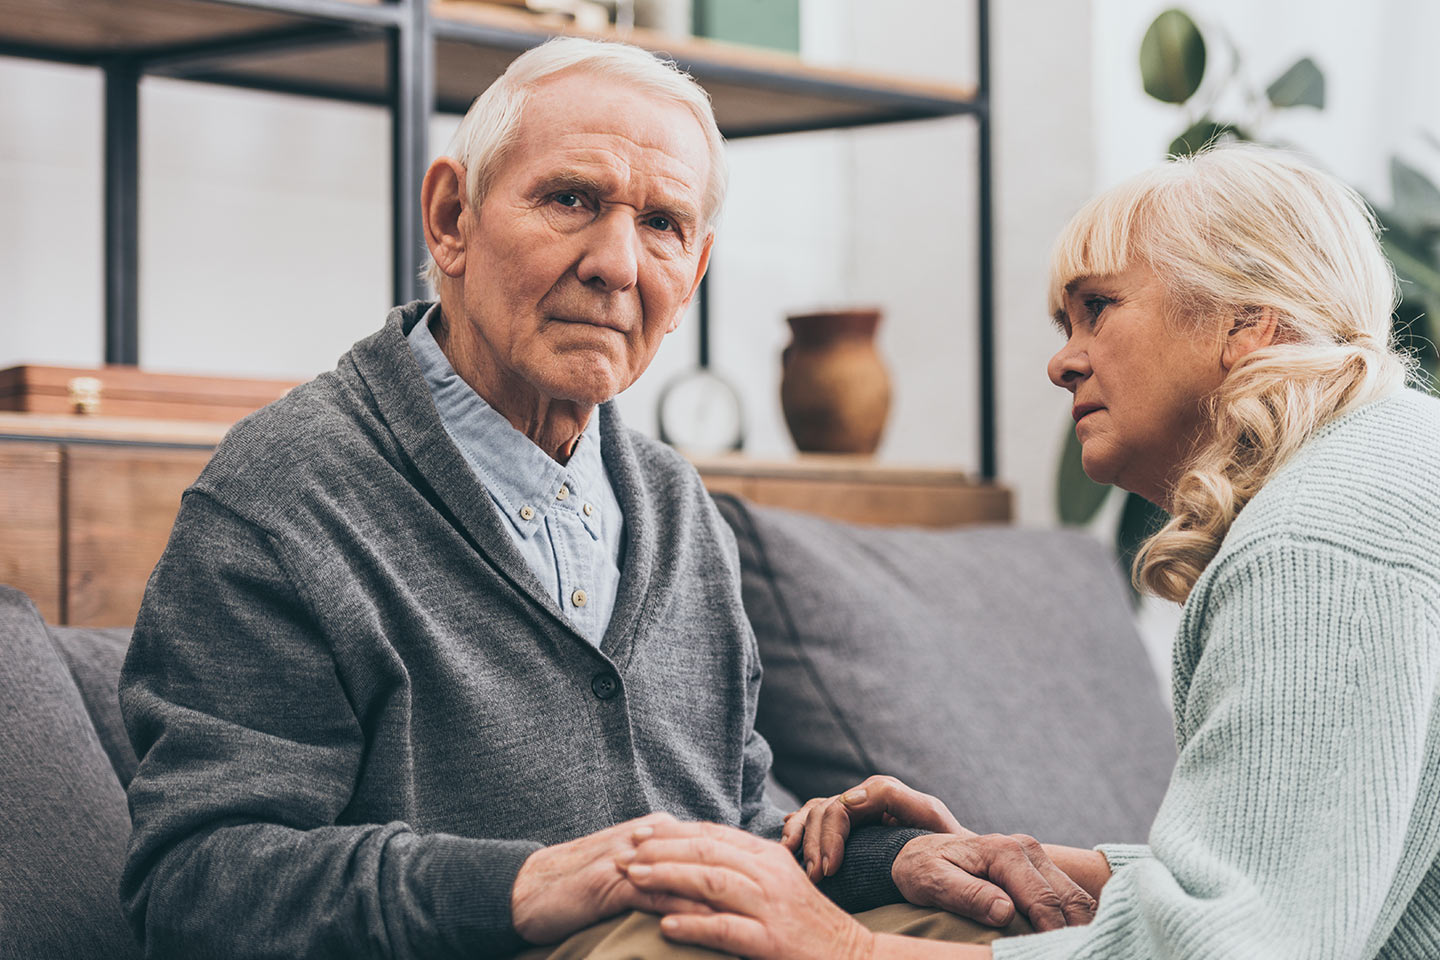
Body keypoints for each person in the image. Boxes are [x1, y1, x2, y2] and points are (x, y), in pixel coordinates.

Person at [118, 37, 1092, 960]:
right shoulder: (282, 496)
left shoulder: (674, 504)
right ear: (452, 218)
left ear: (695, 270)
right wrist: (522, 886)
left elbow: (727, 831)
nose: (618, 264)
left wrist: (896, 864)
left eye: (662, 224)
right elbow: (195, 888)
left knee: (1023, 936)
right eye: (572, 200)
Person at [618, 143, 1440, 959]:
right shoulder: (1384, 469)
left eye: (1099, 308)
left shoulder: (1318, 541)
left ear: (1249, 318)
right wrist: (1026, 860)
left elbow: (1239, 950)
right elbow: (1297, 876)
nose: (1061, 361)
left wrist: (847, 949)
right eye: (1065, 322)